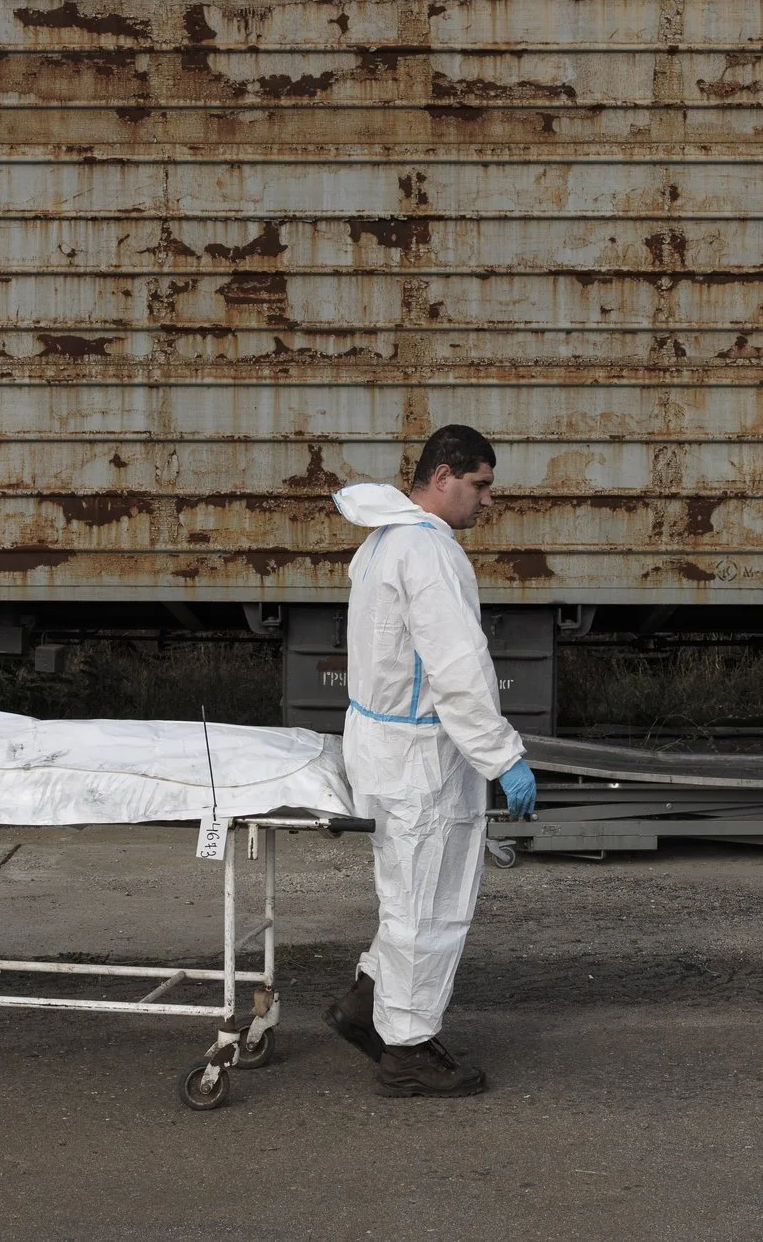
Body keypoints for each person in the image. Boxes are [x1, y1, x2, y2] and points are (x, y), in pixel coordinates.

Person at [322, 425, 537, 1098]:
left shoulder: (383, 540)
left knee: (403, 894)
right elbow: (457, 669)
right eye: (481, 484)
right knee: (428, 906)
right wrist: (503, 756)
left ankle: (368, 1003)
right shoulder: (428, 550)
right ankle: (407, 1049)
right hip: (420, 758)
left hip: (382, 745)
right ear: (443, 475)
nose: (488, 500)